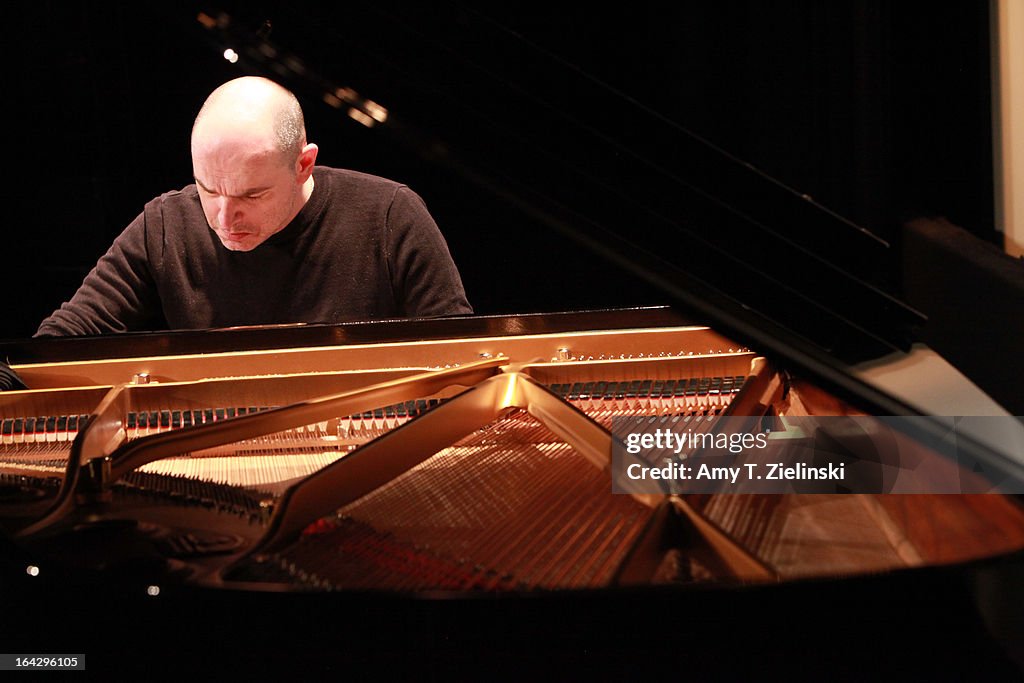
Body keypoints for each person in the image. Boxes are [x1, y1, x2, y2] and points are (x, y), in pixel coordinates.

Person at [35, 77, 472, 337]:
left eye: (251, 195)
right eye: (208, 189)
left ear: (304, 164)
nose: (224, 219)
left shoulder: (390, 217)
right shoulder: (166, 226)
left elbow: (463, 356)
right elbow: (64, 342)